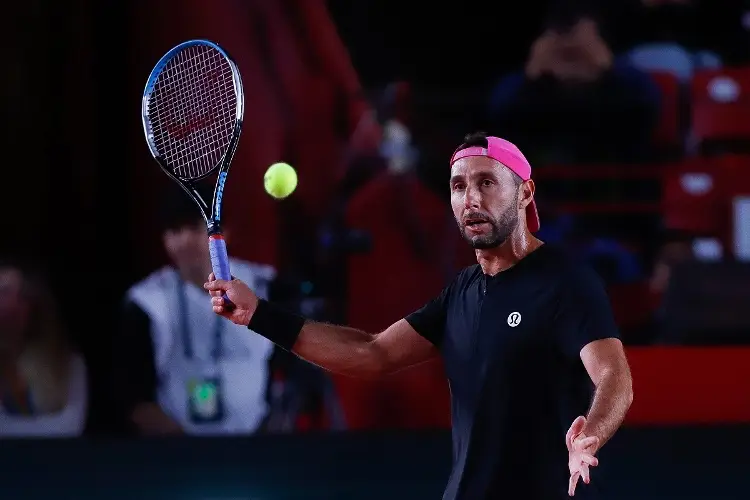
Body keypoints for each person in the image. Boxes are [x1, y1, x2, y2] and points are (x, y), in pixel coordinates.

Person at [205, 132, 634, 499]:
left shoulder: (566, 282)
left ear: (525, 193)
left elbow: (615, 378)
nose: (472, 199)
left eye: (487, 183)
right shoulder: (461, 292)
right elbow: (371, 353)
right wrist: (258, 314)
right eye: (459, 186)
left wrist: (589, 434)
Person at [113, 186, 275, 436]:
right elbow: (135, 400)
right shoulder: (145, 303)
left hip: (256, 446)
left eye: (194, 228)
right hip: (179, 454)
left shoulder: (265, 286)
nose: (184, 241)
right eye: (175, 231)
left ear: (224, 233)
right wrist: (186, 450)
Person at [0, 259, 88, 437]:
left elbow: (72, 425)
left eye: (23, 295)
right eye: (4, 293)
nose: (15, 303)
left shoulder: (68, 362)